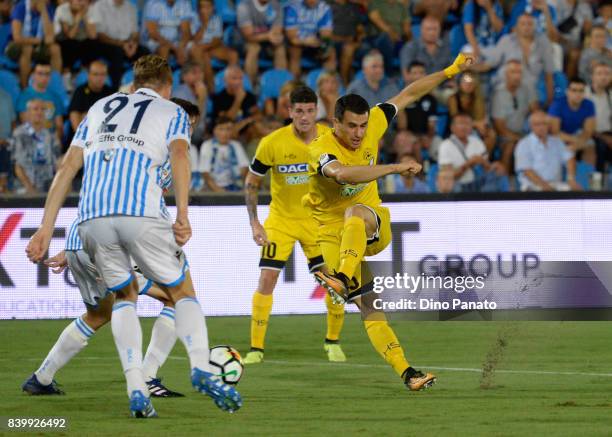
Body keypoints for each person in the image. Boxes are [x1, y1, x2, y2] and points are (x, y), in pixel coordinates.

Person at [25, 54, 242, 417]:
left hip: (90, 221)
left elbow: (66, 168)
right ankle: (201, 367)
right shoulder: (171, 113)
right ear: (167, 87)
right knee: (181, 292)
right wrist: (184, 215)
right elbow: (181, 157)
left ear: (132, 82)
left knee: (121, 299)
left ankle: (137, 388)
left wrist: (45, 230)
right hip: (140, 215)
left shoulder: (97, 108)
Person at [306, 52, 475, 391]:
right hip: (332, 236)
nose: (359, 133)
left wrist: (450, 69)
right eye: (351, 126)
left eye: (363, 125)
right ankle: (408, 373)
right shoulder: (320, 147)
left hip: (370, 224)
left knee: (356, 213)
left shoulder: (374, 124)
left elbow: (409, 94)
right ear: (335, 123)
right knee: (370, 306)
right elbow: (342, 174)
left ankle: (340, 278)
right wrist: (394, 167)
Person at [22, 98, 203, 399]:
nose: (188, 131)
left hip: (83, 237)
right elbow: (146, 211)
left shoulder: (121, 142)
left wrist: (72, 250)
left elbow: (101, 191)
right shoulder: (165, 157)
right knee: (176, 298)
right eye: (189, 124)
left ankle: (41, 378)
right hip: (117, 243)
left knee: (98, 315)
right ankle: (147, 377)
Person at [244, 86, 346, 364]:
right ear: (289, 112)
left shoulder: (329, 138)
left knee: (334, 282)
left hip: (318, 221)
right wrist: (255, 223)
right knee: (267, 278)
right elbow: (252, 183)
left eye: (310, 110)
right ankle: (256, 349)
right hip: (282, 221)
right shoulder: (272, 143)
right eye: (298, 111)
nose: (304, 116)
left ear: (317, 111)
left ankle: (332, 342)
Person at [491, 59, 539, 173]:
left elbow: (536, 113)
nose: (517, 76)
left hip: (524, 132)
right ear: (506, 75)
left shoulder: (526, 89)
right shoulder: (498, 94)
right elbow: (500, 128)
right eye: (513, 72)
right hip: (504, 136)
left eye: (519, 72)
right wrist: (520, 139)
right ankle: (505, 183)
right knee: (509, 146)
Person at [438, 112, 506, 192]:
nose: (464, 127)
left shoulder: (476, 141)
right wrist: (469, 163)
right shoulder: (445, 145)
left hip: (476, 181)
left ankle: (487, 202)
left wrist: (484, 162)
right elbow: (448, 177)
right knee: (452, 186)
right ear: (452, 128)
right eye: (460, 123)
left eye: (467, 124)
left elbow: (487, 168)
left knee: (497, 174)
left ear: (471, 127)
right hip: (458, 184)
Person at [515, 110, 581, 191]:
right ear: (531, 126)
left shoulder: (557, 141)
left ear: (548, 125)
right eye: (537, 124)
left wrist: (571, 179)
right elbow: (527, 171)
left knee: (577, 192)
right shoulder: (524, 144)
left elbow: (569, 159)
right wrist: (545, 186)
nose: (541, 127)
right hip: (532, 186)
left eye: (544, 124)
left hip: (555, 184)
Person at [89, 0, 148, 90]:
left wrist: (133, 44)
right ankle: (115, 89)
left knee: (145, 52)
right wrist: (122, 44)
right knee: (117, 53)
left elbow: (135, 32)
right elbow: (100, 35)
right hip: (107, 43)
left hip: (127, 43)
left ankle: (144, 88)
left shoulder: (131, 7)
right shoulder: (100, 5)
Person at [7, 0, 62, 87]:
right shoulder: (21, 7)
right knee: (27, 48)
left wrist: (44, 12)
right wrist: (40, 41)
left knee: (55, 49)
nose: (48, 1)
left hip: (37, 45)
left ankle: (55, 87)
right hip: (15, 46)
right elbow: (17, 38)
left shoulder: (48, 8)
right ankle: (24, 87)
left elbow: (50, 38)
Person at [12, 98, 60, 194]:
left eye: (43, 109)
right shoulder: (19, 133)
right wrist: (30, 188)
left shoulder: (50, 135)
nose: (39, 112)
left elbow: (57, 164)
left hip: (48, 188)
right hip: (24, 188)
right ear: (28, 113)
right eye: (35, 109)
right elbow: (17, 166)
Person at [189, 0, 239, 90]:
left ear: (213, 8)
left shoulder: (216, 18)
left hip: (211, 46)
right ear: (199, 9)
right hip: (198, 47)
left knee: (233, 55)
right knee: (203, 55)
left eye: (208, 7)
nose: (206, 10)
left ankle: (230, 85)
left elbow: (217, 40)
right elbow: (195, 39)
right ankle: (210, 88)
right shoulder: (193, 18)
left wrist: (205, 47)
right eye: (203, 7)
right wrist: (205, 23)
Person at [548, 77, 596, 165]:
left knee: (590, 145)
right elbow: (555, 132)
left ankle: (590, 176)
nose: (578, 94)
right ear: (567, 91)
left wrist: (578, 144)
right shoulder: (557, 105)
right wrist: (575, 141)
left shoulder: (589, 105)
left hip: (576, 135)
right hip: (557, 137)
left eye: (581, 91)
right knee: (565, 148)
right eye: (574, 90)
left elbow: (588, 131)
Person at [237, 0, 286, 84]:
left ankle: (280, 88)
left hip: (267, 41)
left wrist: (272, 36)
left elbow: (277, 31)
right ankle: (250, 86)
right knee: (254, 48)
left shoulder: (276, 5)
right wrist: (267, 35)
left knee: (280, 48)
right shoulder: (244, 6)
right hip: (246, 42)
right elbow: (248, 35)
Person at [447, 72, 496, 153]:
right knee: (472, 135)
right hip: (457, 128)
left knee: (491, 134)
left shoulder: (479, 99)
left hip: (474, 128)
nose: (468, 84)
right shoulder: (453, 99)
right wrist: (475, 124)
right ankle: (472, 159)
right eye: (465, 81)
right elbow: (455, 120)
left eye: (471, 82)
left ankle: (483, 159)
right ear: (460, 83)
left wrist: (481, 128)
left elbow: (481, 118)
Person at [284, 0, 335, 78]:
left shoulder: (324, 8)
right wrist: (305, 41)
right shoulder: (293, 7)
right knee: (295, 50)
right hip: (297, 42)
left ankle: (328, 84)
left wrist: (320, 43)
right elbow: (292, 37)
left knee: (330, 52)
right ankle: (294, 84)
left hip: (315, 42)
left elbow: (326, 35)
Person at [16, 62, 65, 142]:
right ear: (33, 75)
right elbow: (25, 123)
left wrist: (54, 142)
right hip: (30, 142)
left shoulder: (56, 97)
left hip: (50, 142)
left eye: (47, 74)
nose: (44, 77)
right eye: (40, 73)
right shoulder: (24, 96)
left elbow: (59, 126)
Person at [200, 116, 249, 192]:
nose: (225, 133)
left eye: (228, 129)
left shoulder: (236, 145)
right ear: (214, 130)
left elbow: (244, 169)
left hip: (235, 188)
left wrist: (240, 189)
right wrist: (220, 192)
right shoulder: (207, 145)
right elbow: (205, 174)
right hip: (212, 190)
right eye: (221, 129)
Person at [53, 0, 96, 79]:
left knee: (93, 43)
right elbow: (70, 35)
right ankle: (66, 73)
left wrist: (85, 17)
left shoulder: (90, 9)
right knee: (70, 44)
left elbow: (93, 35)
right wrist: (79, 17)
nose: (80, 3)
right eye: (78, 0)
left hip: (82, 41)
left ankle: (85, 72)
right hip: (65, 41)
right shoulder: (62, 9)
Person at [367, 0, 411, 76]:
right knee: (385, 38)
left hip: (398, 40)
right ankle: (389, 75)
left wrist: (411, 41)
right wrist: (392, 34)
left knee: (412, 45)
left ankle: (409, 76)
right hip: (377, 39)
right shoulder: (375, 3)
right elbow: (376, 20)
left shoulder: (401, 7)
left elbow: (406, 28)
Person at [141, 0, 193, 66]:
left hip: (177, 42)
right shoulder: (153, 3)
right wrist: (176, 49)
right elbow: (153, 33)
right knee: (164, 49)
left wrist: (181, 47)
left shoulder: (184, 3)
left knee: (195, 49)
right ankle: (164, 75)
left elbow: (186, 31)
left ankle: (191, 75)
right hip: (154, 41)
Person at [68, 60, 113, 135]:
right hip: (82, 138)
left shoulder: (110, 93)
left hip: (102, 137)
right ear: (88, 75)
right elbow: (75, 122)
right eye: (95, 74)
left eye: (103, 74)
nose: (99, 78)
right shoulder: (80, 91)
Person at [585, 64, 612, 172]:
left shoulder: (610, 95)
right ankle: (598, 183)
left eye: (607, 74)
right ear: (592, 76)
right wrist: (606, 139)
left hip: (607, 133)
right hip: (589, 134)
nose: (603, 77)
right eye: (599, 73)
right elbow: (585, 125)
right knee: (600, 147)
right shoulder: (584, 94)